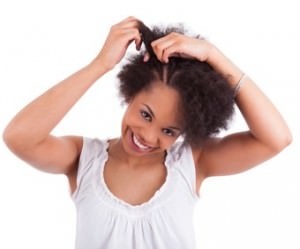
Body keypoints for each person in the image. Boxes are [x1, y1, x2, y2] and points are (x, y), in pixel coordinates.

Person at [3, 16, 292, 249]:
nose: (149, 137)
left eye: (169, 130)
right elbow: (18, 137)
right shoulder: (83, 159)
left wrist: (215, 56)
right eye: (145, 114)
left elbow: (276, 138)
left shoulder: (192, 163)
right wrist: (100, 65)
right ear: (129, 92)